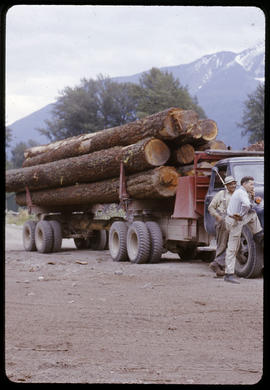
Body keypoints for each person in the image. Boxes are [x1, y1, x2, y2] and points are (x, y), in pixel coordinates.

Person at [224, 176, 264, 284]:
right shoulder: (241, 193)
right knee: (233, 248)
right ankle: (228, 274)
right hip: (234, 221)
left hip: (239, 218)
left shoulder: (245, 192)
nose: (253, 186)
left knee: (253, 215)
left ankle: (259, 235)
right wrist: (241, 214)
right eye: (251, 184)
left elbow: (250, 207)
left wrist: (252, 197)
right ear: (244, 184)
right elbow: (246, 205)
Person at [208, 176, 237, 277]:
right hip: (223, 221)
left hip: (233, 221)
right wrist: (217, 217)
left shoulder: (237, 194)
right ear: (226, 185)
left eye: (234, 183)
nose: (233, 185)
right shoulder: (221, 194)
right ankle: (216, 264)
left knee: (231, 244)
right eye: (230, 184)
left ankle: (219, 267)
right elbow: (211, 207)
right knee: (222, 244)